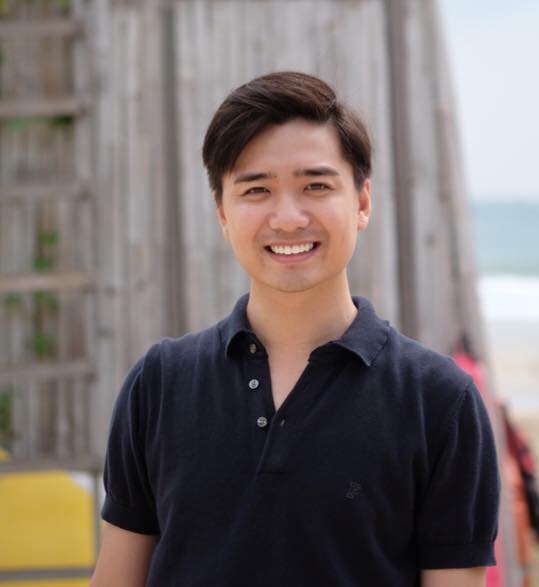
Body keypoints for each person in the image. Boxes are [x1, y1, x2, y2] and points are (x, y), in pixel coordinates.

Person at [90, 71, 499, 586]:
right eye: (257, 189)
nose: (287, 218)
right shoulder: (158, 384)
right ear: (222, 211)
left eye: (316, 186)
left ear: (362, 202)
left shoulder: (439, 401)